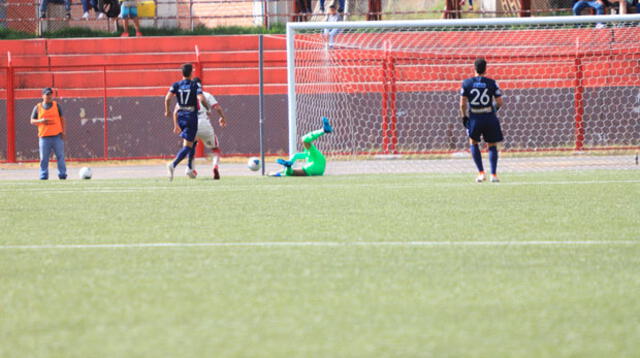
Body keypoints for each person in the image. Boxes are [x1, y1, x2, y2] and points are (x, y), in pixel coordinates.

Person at [173, 77, 228, 180]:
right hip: (204, 125)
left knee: (190, 146)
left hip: (191, 124)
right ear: (200, 85)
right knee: (215, 149)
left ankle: (190, 169)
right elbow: (217, 107)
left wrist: (176, 125)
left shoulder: (185, 96)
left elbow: (175, 112)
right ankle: (215, 166)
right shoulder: (206, 95)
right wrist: (222, 117)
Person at [459, 58, 504, 183]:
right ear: (486, 69)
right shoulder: (492, 83)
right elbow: (500, 102)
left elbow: (462, 104)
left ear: (474, 68)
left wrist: (464, 117)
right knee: (492, 144)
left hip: (475, 117)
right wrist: (492, 110)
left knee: (473, 142)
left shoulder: (467, 83)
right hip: (489, 117)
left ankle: (481, 173)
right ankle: (494, 175)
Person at [164, 64, 210, 181]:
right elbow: (201, 98)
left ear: (182, 73)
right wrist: (208, 108)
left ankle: (190, 168)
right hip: (191, 116)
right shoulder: (194, 85)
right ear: (191, 73)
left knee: (192, 141)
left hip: (181, 115)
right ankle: (173, 165)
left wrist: (167, 110)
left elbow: (168, 98)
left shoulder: (176, 85)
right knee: (188, 146)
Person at [30, 88, 67, 180]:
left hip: (57, 136)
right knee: (44, 158)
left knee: (60, 156)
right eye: (47, 94)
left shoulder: (57, 106)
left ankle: (62, 175)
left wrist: (63, 131)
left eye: (50, 94)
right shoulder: (38, 107)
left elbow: (62, 119)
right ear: (42, 96)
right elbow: (32, 121)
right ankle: (43, 176)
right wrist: (41, 121)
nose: (49, 96)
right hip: (44, 137)